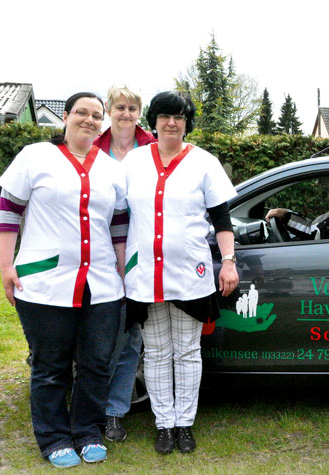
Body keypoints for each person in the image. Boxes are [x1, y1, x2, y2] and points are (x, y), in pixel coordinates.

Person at [0, 92, 125, 467]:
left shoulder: (111, 168)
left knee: (97, 363)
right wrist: (7, 267)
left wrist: (120, 269)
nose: (89, 120)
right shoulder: (36, 157)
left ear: (103, 122)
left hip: (101, 285)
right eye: (81, 112)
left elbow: (118, 224)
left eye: (96, 115)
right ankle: (53, 437)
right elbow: (7, 214)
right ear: (65, 117)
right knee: (51, 366)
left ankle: (87, 431)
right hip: (44, 282)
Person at [122, 90, 238, 455]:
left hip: (190, 272)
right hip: (145, 275)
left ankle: (185, 423)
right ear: (153, 121)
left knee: (187, 351)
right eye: (165, 116)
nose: (172, 123)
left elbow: (221, 218)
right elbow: (116, 215)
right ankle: (164, 424)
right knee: (156, 352)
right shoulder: (134, 162)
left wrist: (229, 260)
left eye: (180, 117)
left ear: (188, 122)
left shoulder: (204, 162)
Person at [93, 85, 157, 443]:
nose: (126, 114)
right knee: (97, 338)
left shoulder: (151, 148)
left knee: (131, 335)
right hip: (96, 251)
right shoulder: (92, 146)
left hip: (140, 252)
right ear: (108, 109)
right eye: (120, 106)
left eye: (133, 108)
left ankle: (115, 412)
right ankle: (90, 409)